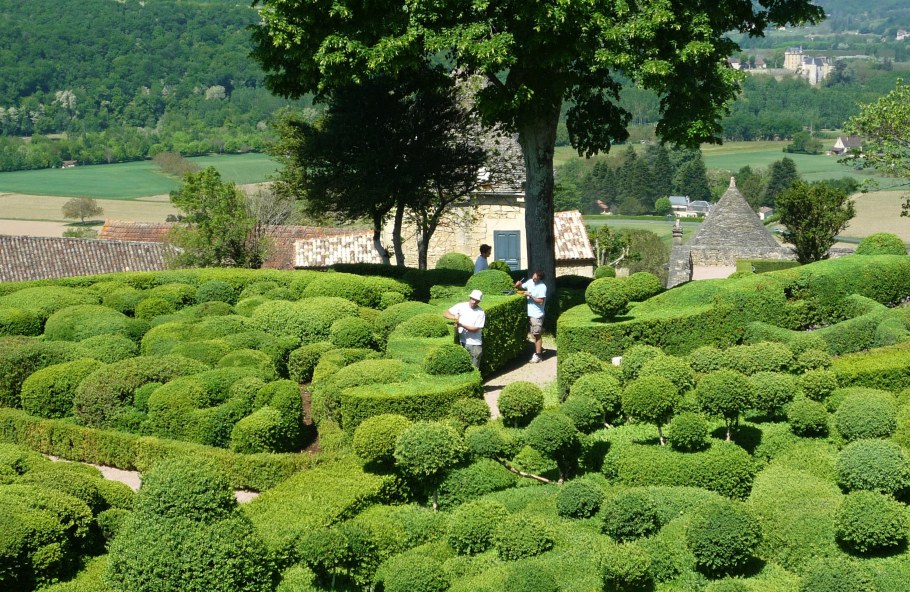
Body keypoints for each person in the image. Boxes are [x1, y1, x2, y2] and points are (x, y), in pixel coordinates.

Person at [443, 289, 486, 369]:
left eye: (476, 300)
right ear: (470, 298)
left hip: (474, 344)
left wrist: (460, 324)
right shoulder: (461, 306)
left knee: (474, 367)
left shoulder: (480, 312)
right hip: (461, 341)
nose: (474, 302)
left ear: (479, 301)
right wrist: (454, 318)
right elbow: (445, 313)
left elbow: (474, 329)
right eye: (473, 299)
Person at [515, 271, 547, 363]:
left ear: (540, 278)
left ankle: (538, 355)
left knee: (537, 334)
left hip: (537, 314)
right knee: (534, 334)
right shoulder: (530, 281)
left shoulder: (542, 287)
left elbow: (541, 301)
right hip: (531, 313)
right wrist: (518, 285)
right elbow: (521, 287)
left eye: (536, 277)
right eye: (534, 276)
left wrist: (530, 295)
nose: (534, 278)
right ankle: (538, 351)